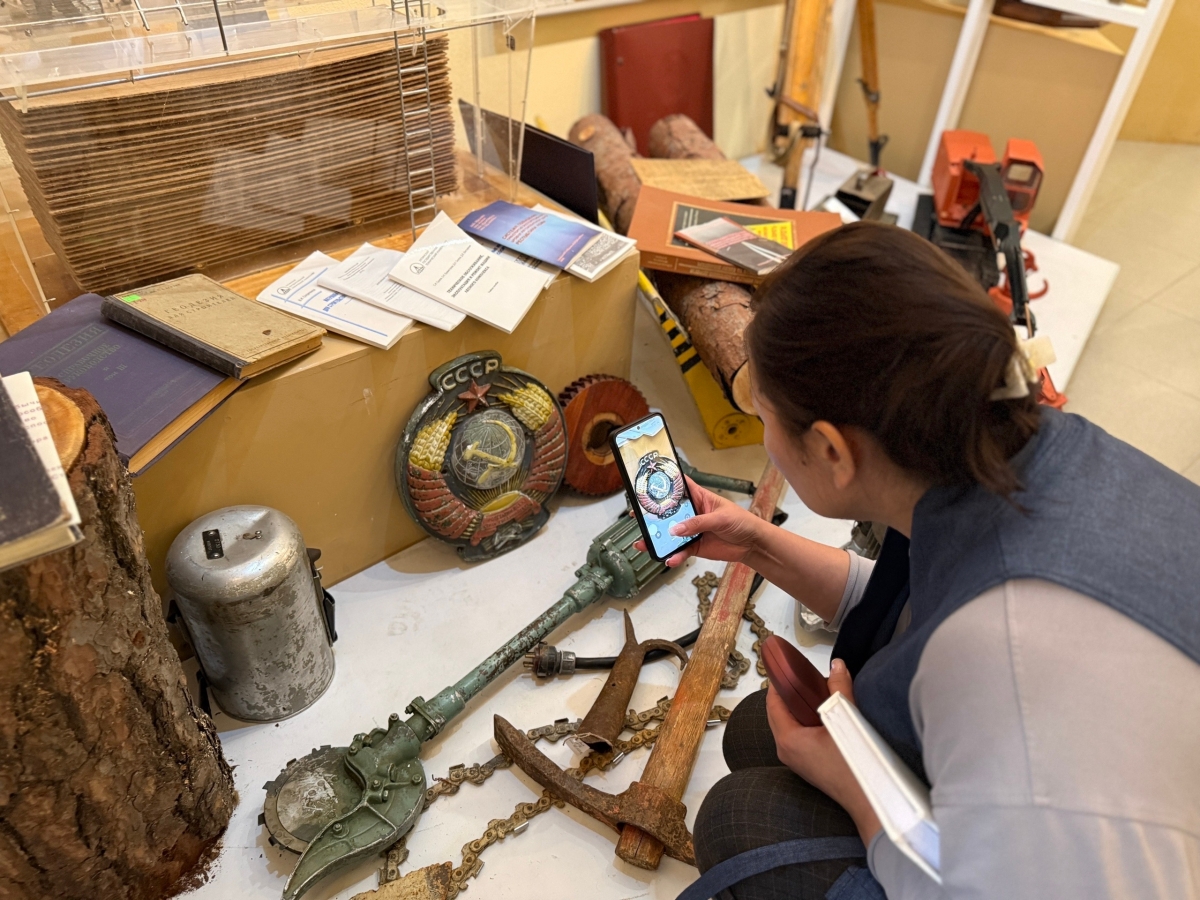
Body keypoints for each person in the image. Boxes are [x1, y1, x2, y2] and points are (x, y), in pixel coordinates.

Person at [655, 222, 1200, 899]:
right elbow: (923, 604)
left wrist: (858, 787)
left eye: (762, 416)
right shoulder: (1006, 449)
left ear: (831, 451)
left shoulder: (1005, 653)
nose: (764, 439)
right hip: (1071, 781)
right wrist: (757, 545)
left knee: (741, 822)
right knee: (756, 732)